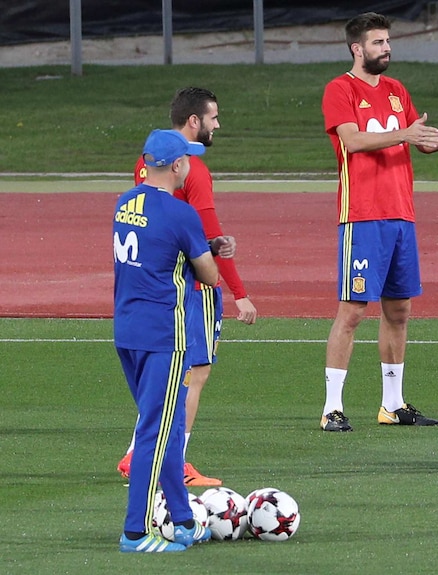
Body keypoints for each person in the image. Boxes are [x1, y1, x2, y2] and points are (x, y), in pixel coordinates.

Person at [319, 12, 438, 432]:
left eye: (388, 40)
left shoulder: (396, 91)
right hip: (362, 217)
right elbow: (352, 141)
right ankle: (331, 408)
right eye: (378, 42)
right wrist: (405, 135)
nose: (386, 48)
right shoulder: (340, 89)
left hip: (400, 216)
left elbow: (419, 140)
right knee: (353, 310)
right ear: (357, 48)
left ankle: (392, 404)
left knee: (399, 310)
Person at [117, 87, 257, 486]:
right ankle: (174, 459)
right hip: (191, 288)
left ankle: (135, 453)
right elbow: (208, 231)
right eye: (213, 117)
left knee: (166, 376)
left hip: (152, 286)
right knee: (195, 372)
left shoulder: (145, 165)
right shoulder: (193, 168)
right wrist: (239, 292)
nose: (218, 125)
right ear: (193, 122)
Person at [114, 129, 233, 551]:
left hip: (127, 331)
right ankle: (135, 531)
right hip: (164, 334)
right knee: (154, 431)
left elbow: (157, 251)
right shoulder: (183, 215)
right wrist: (211, 250)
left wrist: (202, 246)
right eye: (188, 159)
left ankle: (182, 519)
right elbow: (209, 276)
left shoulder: (125, 203)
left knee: (165, 425)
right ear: (179, 165)